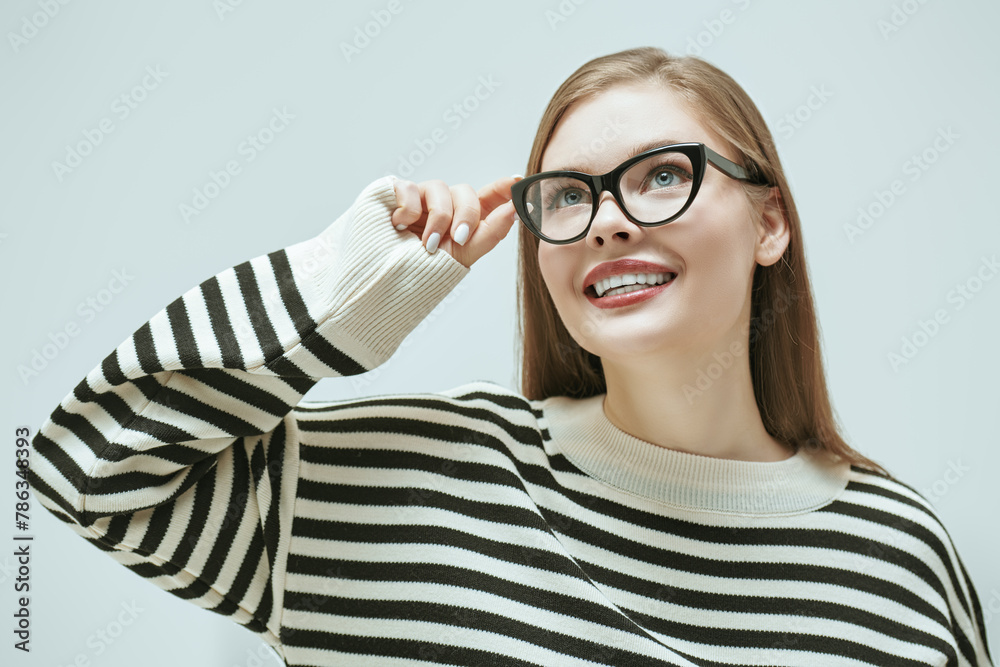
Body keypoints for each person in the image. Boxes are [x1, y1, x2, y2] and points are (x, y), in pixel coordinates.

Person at [27, 46, 993, 666]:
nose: (608, 220)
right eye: (569, 194)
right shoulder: (386, 485)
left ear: (769, 220)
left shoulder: (897, 561)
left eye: (664, 174)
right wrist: (346, 289)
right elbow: (82, 470)